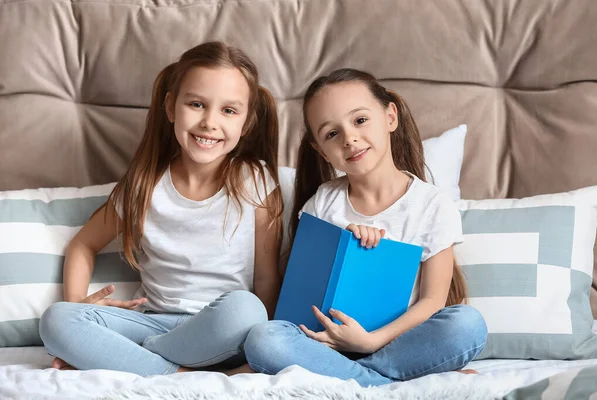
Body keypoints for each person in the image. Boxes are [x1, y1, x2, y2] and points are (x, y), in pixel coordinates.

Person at [39, 42, 283, 377]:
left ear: (247, 122)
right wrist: (79, 300)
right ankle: (176, 373)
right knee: (57, 319)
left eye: (229, 110)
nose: (210, 122)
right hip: (151, 322)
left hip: (221, 332)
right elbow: (83, 244)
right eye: (196, 104)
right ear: (171, 107)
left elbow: (267, 278)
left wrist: (259, 346)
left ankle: (141, 359)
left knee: (248, 310)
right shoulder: (143, 185)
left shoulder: (255, 182)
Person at [243, 68, 487, 387]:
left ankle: (366, 374)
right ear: (320, 149)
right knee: (264, 338)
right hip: (325, 345)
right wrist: (347, 244)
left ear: (390, 117)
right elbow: (303, 290)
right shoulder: (323, 202)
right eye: (332, 133)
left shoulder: (433, 205)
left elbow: (432, 302)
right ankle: (378, 380)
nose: (349, 138)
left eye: (360, 120)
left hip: (395, 344)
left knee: (467, 324)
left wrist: (369, 342)